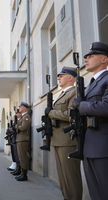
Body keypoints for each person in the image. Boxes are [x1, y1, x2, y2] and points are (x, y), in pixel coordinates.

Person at [76, 42, 108, 199]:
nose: (86, 59)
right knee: (95, 193)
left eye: (91, 56)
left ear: (104, 59)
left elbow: (105, 107)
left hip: (103, 147)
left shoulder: (106, 79)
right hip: (89, 146)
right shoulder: (91, 84)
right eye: (86, 56)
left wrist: (81, 106)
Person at [47, 67, 82, 200]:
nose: (59, 78)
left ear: (70, 78)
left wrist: (50, 113)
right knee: (63, 178)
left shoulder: (74, 93)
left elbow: (71, 115)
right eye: (59, 76)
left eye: (62, 75)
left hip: (68, 140)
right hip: (58, 140)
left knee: (71, 177)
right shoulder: (62, 94)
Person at [15, 102, 31, 181]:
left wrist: (17, 126)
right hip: (20, 139)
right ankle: (22, 173)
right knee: (21, 157)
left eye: (20, 107)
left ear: (25, 108)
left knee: (23, 157)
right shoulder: (23, 117)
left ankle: (24, 175)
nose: (19, 108)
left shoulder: (26, 117)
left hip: (23, 139)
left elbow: (24, 127)